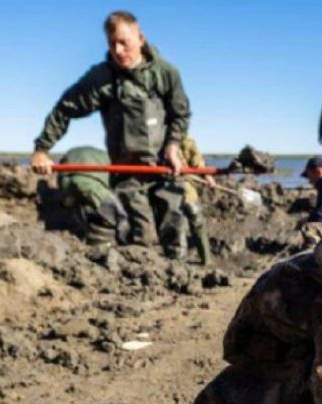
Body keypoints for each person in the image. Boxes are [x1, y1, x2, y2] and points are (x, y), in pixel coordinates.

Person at [30, 10, 191, 257]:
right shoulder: (102, 78)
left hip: (164, 167)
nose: (117, 50)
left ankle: (181, 284)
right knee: (142, 234)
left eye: (124, 42)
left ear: (140, 38)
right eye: (111, 43)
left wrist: (173, 145)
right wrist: (42, 149)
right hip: (127, 172)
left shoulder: (166, 73)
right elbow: (65, 109)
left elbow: (180, 114)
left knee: (175, 226)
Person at [178, 136, 213, 265]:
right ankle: (178, 264)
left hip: (187, 186)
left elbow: (196, 160)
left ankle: (206, 260)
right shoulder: (156, 137)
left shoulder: (185, 140)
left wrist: (207, 175)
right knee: (177, 225)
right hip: (165, 187)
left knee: (197, 220)